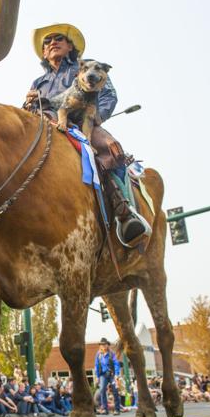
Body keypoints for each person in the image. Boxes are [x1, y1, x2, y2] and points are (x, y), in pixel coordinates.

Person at [24, 23, 149, 248]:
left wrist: (95, 118)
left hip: (83, 123)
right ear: (44, 52)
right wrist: (28, 103)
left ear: (71, 46)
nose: (52, 42)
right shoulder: (37, 83)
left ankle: (124, 212)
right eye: (47, 41)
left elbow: (108, 95)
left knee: (110, 148)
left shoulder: (90, 67)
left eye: (58, 38)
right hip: (47, 125)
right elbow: (31, 110)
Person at [94, 338, 121, 415]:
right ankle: (105, 409)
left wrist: (116, 375)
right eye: (101, 344)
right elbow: (96, 366)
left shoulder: (111, 354)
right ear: (100, 346)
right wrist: (97, 377)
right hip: (103, 375)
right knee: (102, 390)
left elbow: (116, 364)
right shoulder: (98, 355)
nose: (103, 346)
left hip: (112, 374)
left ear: (107, 345)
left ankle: (117, 409)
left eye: (105, 344)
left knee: (115, 391)